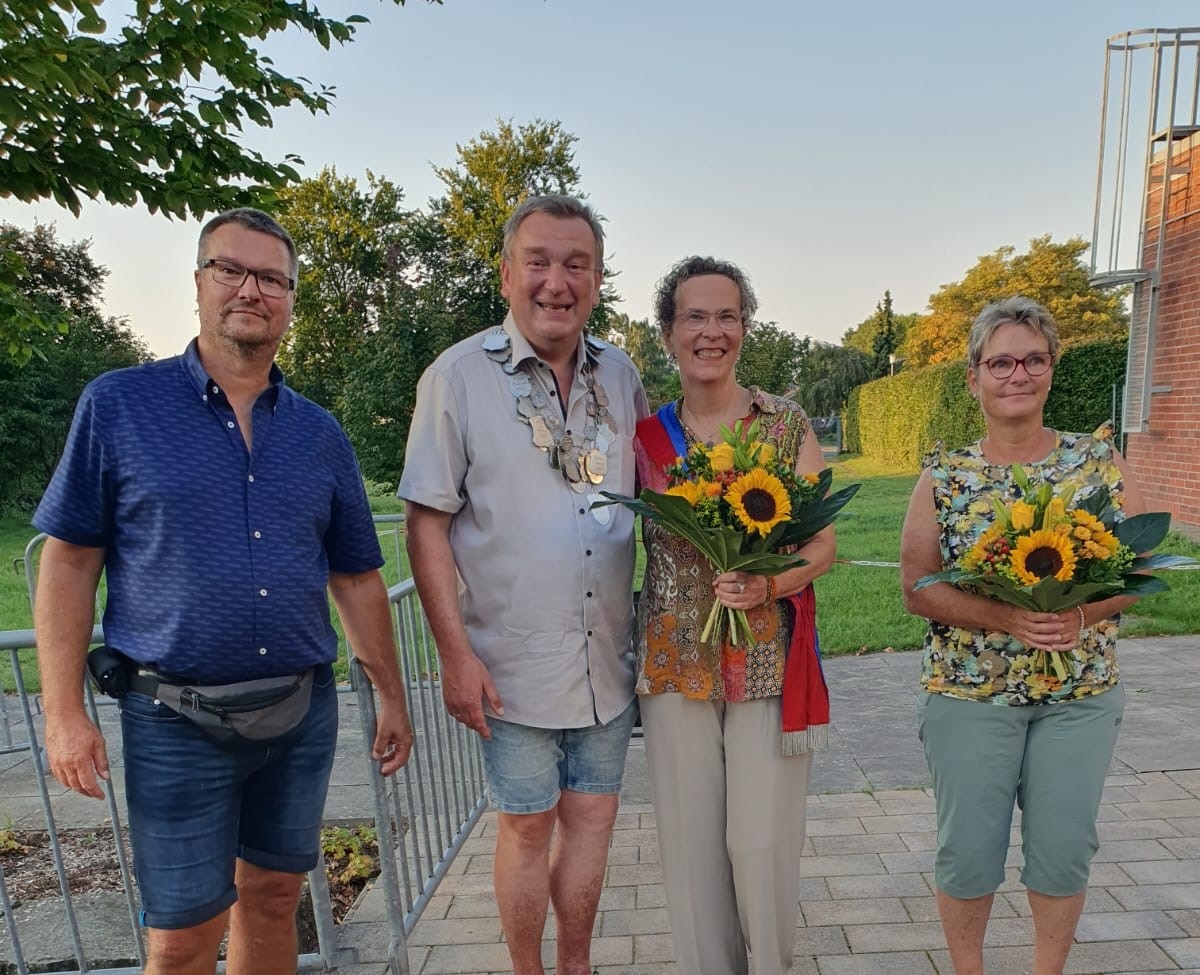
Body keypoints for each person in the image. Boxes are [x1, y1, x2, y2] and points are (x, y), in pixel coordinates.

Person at [33, 207, 413, 975]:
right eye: (231, 270)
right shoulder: (119, 406)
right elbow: (69, 561)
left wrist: (394, 693)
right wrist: (63, 711)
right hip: (174, 715)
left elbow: (356, 576)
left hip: (298, 712)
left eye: (272, 277)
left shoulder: (320, 434)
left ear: (292, 298)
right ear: (199, 282)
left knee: (274, 899)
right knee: (180, 938)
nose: (252, 289)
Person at [398, 194, 648, 975]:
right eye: (537, 261)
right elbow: (426, 523)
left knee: (594, 821)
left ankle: (575, 964)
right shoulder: (457, 377)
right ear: (506, 274)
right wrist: (453, 654)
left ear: (598, 280)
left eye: (575, 263)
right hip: (508, 665)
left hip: (605, 658)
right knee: (526, 828)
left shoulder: (623, 373)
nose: (556, 281)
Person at [899, 296, 1149, 975]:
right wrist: (1008, 617)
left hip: (1079, 694)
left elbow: (1141, 566)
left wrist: (1082, 615)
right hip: (969, 694)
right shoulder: (944, 476)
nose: (1018, 373)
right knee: (969, 850)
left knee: (1064, 846)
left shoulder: (1097, 463)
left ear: (1051, 369)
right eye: (1001, 360)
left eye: (1033, 359)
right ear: (974, 375)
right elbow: (917, 585)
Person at [633, 256, 835, 975]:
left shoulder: (784, 424)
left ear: (745, 326)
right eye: (695, 315)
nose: (711, 331)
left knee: (760, 843)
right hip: (673, 662)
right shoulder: (643, 439)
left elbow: (821, 542)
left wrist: (771, 584)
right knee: (690, 854)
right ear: (668, 331)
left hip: (766, 662)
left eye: (727, 315)